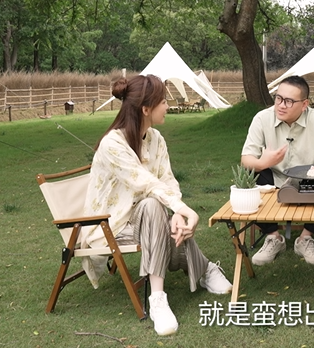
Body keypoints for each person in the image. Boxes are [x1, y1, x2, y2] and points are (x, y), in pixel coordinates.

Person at [82, 74, 232, 336]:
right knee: (153, 205)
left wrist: (176, 212)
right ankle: (166, 294)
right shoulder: (112, 144)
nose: (167, 106)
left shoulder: (156, 139)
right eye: (163, 101)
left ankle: (196, 273)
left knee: (156, 210)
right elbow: (145, 182)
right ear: (146, 109)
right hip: (110, 224)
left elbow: (167, 180)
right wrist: (183, 210)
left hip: (147, 218)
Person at [241, 76, 314, 266]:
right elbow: (246, 159)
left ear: (304, 104)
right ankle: (273, 237)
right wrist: (263, 162)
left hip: (309, 179)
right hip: (272, 178)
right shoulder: (262, 118)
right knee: (250, 175)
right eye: (278, 98)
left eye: (289, 101)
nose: (281, 105)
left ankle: (306, 238)